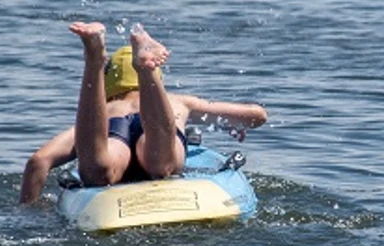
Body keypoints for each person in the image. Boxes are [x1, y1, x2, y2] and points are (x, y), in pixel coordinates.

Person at [20, 22, 268, 203]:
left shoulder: (103, 111)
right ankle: (146, 72)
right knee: (161, 165)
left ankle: (93, 60)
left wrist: (29, 210)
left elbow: (38, 162)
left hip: (112, 130)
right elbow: (257, 115)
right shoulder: (179, 102)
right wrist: (224, 122)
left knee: (98, 172)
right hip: (160, 138)